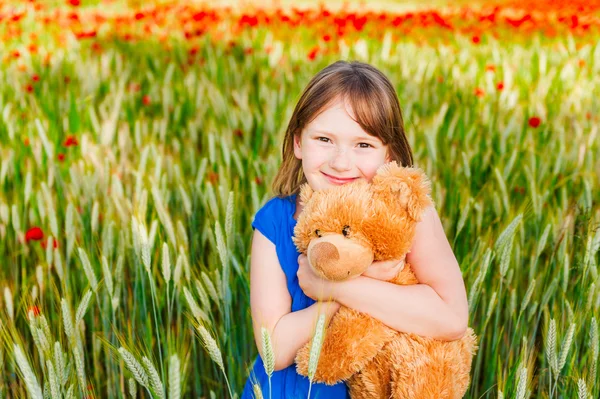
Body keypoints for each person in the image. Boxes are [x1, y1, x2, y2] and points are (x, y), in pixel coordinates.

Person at [241, 60, 469, 399]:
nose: (341, 162)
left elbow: (450, 318)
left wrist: (335, 286)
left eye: (363, 145)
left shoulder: (409, 213)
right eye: (324, 139)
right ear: (298, 143)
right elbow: (276, 349)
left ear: (388, 152)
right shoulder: (275, 223)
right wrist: (335, 297)